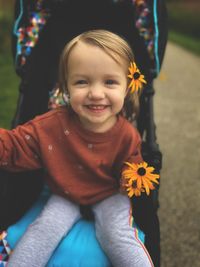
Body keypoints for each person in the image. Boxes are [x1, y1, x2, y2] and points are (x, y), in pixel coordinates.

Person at [0, 30, 159, 267]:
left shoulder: (127, 135)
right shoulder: (51, 126)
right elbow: (14, 146)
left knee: (117, 236)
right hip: (65, 192)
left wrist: (131, 179)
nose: (96, 93)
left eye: (110, 82)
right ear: (66, 88)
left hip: (109, 193)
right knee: (43, 231)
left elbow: (133, 167)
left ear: (127, 88)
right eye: (82, 82)